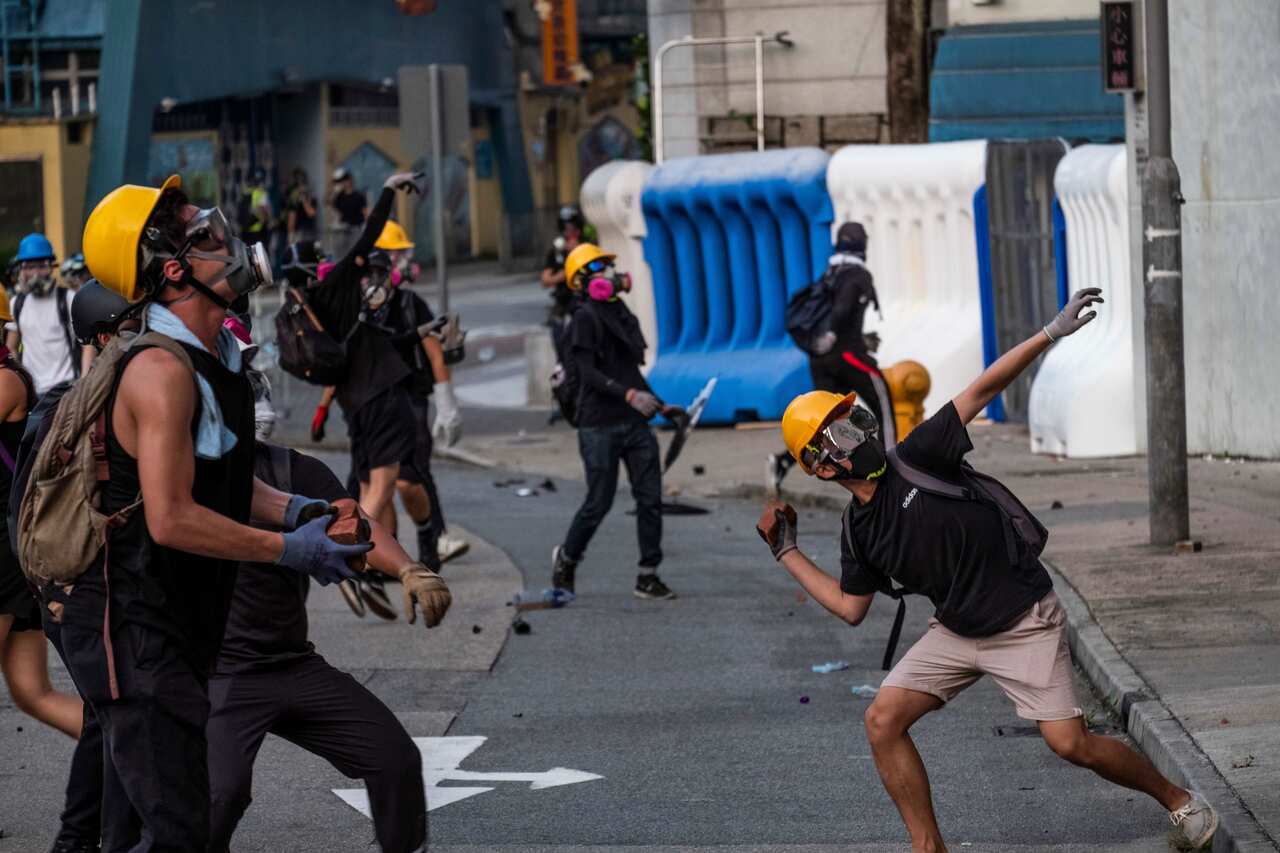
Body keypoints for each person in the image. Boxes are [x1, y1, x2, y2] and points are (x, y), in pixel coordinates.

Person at [754, 288, 1219, 851]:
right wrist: (787, 552)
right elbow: (852, 608)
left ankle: (1180, 802)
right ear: (820, 465)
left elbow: (981, 388)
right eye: (845, 431)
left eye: (856, 417)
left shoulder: (920, 455)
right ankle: (929, 847)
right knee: (882, 721)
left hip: (1022, 617)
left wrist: (1051, 332)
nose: (863, 430)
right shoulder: (858, 530)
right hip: (956, 631)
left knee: (1069, 743)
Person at [59, 174, 371, 851]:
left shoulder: (213, 355)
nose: (226, 238)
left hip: (180, 625)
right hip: (132, 630)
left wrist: (302, 510)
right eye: (206, 235)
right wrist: (292, 551)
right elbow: (172, 516)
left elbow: (224, 479)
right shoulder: (161, 372)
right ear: (174, 270)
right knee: (185, 828)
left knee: (154, 824)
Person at [207, 353, 450, 852]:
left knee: (396, 759)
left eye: (250, 383)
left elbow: (352, 520)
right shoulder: (185, 476)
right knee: (220, 796)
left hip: (292, 663)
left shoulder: (291, 469)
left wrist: (408, 568)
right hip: (219, 672)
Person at [305, 172, 428, 542]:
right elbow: (371, 230)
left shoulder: (317, 301)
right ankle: (348, 546)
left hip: (353, 403)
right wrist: (389, 186)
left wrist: (323, 408)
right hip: (381, 397)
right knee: (382, 486)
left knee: (363, 485)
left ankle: (372, 563)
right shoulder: (345, 284)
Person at [549, 243, 676, 600]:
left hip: (633, 422)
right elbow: (587, 372)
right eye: (600, 268)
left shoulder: (619, 313)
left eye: (609, 266)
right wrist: (628, 396)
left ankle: (647, 575)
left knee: (650, 497)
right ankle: (568, 559)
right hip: (598, 423)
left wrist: (660, 405)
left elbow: (629, 371)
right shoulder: (584, 319)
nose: (610, 274)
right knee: (599, 501)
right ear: (584, 282)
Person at [767, 221, 893, 496]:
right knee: (883, 400)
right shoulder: (857, 275)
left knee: (827, 422)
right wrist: (838, 335)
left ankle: (784, 461)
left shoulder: (831, 271)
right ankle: (892, 466)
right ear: (863, 246)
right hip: (847, 353)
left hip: (820, 359)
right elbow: (844, 309)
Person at [374, 220, 469, 566]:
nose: (402, 260)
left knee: (412, 473)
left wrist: (446, 402)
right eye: (395, 253)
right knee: (374, 481)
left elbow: (433, 351)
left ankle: (435, 538)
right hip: (374, 404)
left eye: (403, 253)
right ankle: (389, 551)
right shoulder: (361, 307)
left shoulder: (411, 304)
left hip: (411, 398)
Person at [5, 233, 91, 394]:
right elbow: (11, 348)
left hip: (66, 390)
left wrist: (83, 383)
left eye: (42, 265)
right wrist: (20, 382)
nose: (36, 273)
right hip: (33, 392)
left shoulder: (68, 299)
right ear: (22, 269)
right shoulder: (17, 303)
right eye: (30, 267)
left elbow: (87, 344)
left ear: (52, 266)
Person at [540, 204, 585, 335]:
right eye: (565, 228)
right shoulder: (557, 251)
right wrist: (562, 275)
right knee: (558, 330)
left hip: (583, 301)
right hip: (564, 300)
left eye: (572, 228)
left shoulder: (587, 247)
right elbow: (545, 280)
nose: (569, 232)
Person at [285, 167, 319, 245]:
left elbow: (311, 213)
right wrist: (290, 235)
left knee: (315, 255)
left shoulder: (310, 197)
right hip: (297, 233)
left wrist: (304, 199)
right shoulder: (293, 199)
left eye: (302, 183)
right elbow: (291, 219)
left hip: (309, 232)